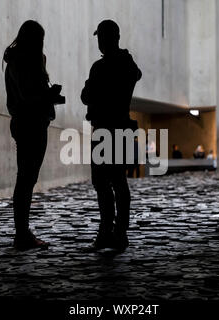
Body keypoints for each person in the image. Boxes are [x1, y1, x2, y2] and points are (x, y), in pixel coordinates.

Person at [81, 20, 142, 252]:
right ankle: (119, 233)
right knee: (119, 181)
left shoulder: (100, 67)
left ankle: (107, 232)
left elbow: (85, 96)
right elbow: (136, 74)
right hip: (122, 128)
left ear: (107, 38)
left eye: (100, 38)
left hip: (104, 129)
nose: (98, 42)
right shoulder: (128, 65)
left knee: (102, 182)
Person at [4, 20, 65, 250]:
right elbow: (28, 96)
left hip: (31, 123)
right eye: (39, 39)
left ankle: (22, 231)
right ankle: (22, 233)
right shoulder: (22, 63)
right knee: (26, 179)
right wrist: (49, 96)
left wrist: (48, 95)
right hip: (30, 123)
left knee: (26, 179)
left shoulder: (19, 61)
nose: (41, 44)